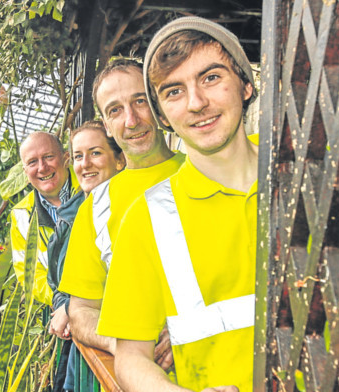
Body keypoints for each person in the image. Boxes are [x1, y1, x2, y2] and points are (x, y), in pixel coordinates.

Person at [97, 16, 258, 392]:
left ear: (246, 85)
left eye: (211, 78)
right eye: (173, 92)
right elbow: (132, 356)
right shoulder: (147, 217)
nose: (197, 103)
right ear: (164, 117)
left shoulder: (316, 176)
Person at [58, 58, 184, 368]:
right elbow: (81, 311)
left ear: (156, 104)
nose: (131, 119)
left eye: (140, 101)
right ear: (106, 125)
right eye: (115, 110)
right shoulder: (96, 207)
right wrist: (128, 345)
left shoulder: (204, 170)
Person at [46, 121, 125, 392]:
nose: (85, 164)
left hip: (120, 352)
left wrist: (69, 309)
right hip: (82, 349)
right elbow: (56, 280)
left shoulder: (131, 209)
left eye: (96, 153)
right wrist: (65, 305)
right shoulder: (72, 216)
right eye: (78, 156)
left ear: (120, 160)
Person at [9, 131, 81, 306]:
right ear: (25, 170)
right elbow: (29, 274)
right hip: (61, 312)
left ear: (66, 158)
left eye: (48, 157)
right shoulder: (21, 215)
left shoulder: (89, 190)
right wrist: (62, 302)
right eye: (32, 162)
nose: (42, 168)